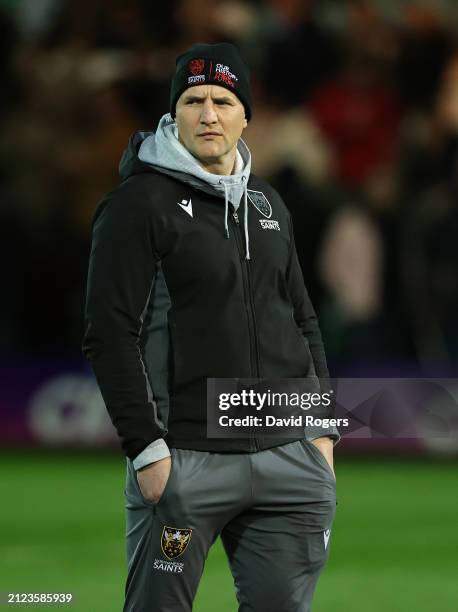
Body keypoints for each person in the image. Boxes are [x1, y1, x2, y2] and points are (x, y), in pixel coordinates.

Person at [82, 42, 339, 612]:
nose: (209, 114)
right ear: (174, 114)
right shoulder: (138, 204)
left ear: (246, 115)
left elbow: (302, 319)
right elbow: (109, 331)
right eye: (193, 100)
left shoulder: (268, 204)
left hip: (287, 458)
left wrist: (321, 435)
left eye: (224, 100)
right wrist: (147, 450)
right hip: (186, 458)